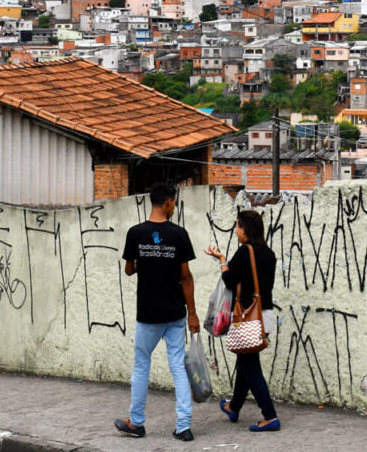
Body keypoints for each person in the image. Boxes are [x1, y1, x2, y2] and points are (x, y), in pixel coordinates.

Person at [115, 183, 200, 442]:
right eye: (174, 202)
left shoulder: (135, 233)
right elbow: (186, 278)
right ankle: (183, 426)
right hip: (175, 313)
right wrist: (193, 314)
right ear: (168, 202)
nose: (174, 206)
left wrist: (145, 263)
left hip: (148, 314)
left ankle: (136, 423)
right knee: (178, 367)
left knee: (141, 366)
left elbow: (129, 269)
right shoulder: (179, 234)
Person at [204, 209, 280, 432]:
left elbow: (229, 280)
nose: (236, 230)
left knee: (250, 366)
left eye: (237, 226)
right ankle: (234, 407)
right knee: (245, 361)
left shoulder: (244, 252)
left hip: (247, 317)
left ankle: (270, 415)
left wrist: (222, 261)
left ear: (245, 229)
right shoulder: (269, 253)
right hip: (264, 314)